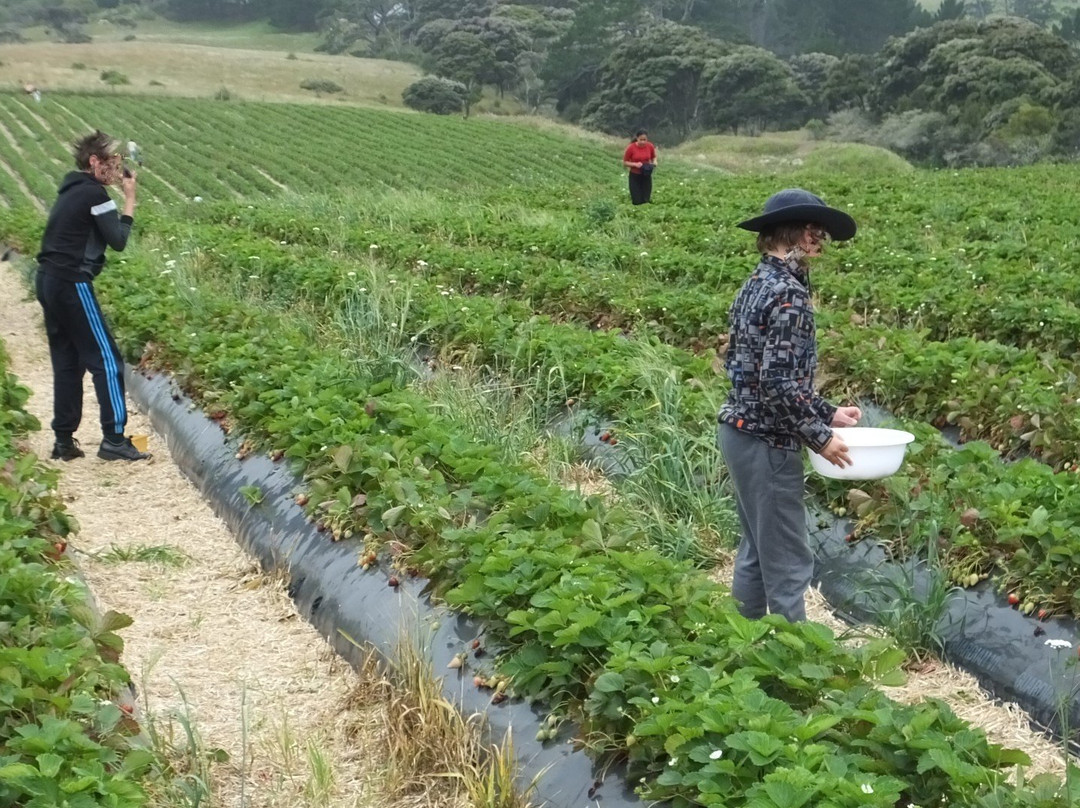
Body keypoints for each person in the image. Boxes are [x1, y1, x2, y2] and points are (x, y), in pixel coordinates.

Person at [717, 188, 861, 622]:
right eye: (814, 229)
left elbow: (760, 370)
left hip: (739, 431)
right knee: (786, 563)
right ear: (790, 233)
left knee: (757, 552)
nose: (821, 240)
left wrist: (826, 412)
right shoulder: (789, 295)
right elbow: (777, 382)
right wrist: (821, 438)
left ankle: (743, 646)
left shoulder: (758, 282)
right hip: (766, 440)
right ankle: (791, 668)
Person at [35, 130, 150, 462]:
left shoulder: (71, 190)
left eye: (119, 160)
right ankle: (114, 439)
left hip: (48, 281)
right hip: (71, 281)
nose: (116, 167)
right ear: (93, 161)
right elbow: (118, 240)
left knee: (68, 361)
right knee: (107, 360)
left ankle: (63, 440)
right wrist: (130, 200)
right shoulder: (95, 195)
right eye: (110, 160)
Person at [622, 129, 657, 205]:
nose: (643, 142)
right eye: (641, 140)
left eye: (645, 140)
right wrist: (635, 164)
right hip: (635, 175)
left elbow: (653, 157)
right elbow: (625, 162)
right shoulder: (631, 148)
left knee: (646, 199)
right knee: (636, 200)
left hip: (646, 174)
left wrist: (654, 162)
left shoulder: (650, 146)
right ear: (637, 139)